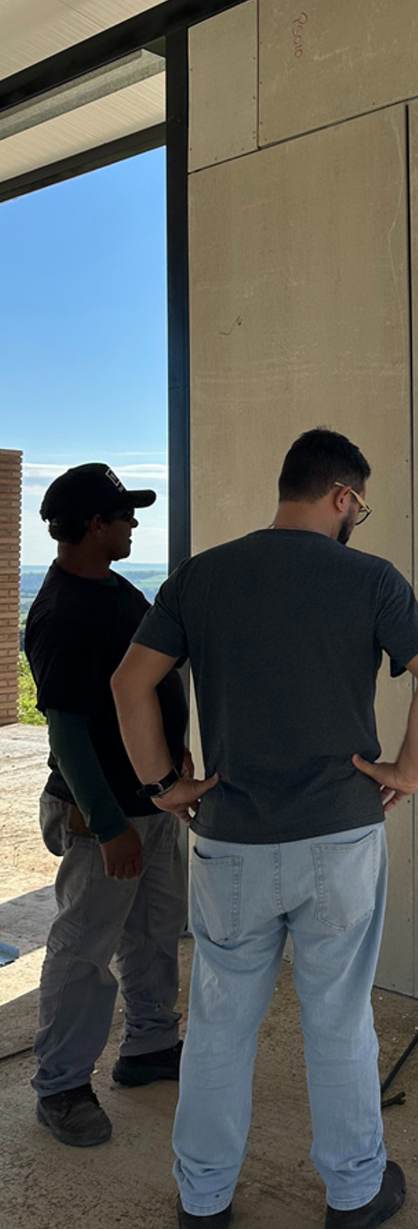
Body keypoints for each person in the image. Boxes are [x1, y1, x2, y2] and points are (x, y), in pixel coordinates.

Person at [111, 428, 418, 1229]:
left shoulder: (202, 576)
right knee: (338, 1019)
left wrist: (162, 785)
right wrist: (407, 773)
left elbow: (130, 681)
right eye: (359, 507)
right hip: (340, 836)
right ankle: (353, 1196)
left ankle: (202, 1209)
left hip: (231, 839)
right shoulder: (371, 579)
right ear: (342, 496)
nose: (357, 521)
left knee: (220, 1023)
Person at [24, 464, 189, 1148]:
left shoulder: (115, 591)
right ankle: (61, 1086)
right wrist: (109, 822)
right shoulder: (64, 612)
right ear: (95, 524)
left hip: (148, 801)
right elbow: (66, 731)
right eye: (124, 515)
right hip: (104, 815)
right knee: (84, 950)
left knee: (153, 931)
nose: (134, 524)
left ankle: (149, 1045)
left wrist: (172, 767)